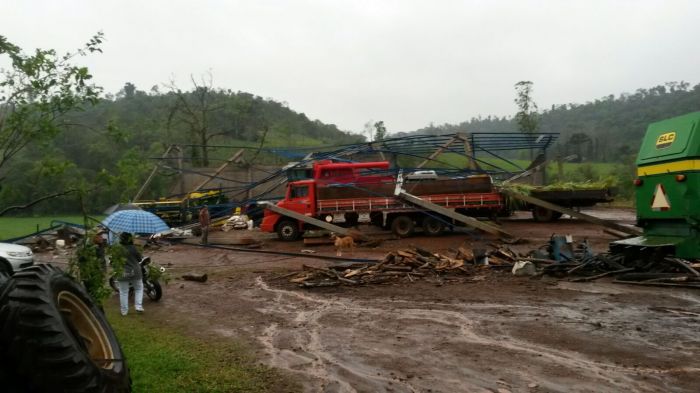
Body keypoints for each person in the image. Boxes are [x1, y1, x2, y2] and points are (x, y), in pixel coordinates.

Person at [116, 232, 144, 316]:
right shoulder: (133, 248)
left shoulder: (117, 249)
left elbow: (114, 261)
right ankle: (138, 306)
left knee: (123, 292)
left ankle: (124, 311)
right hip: (135, 272)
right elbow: (139, 259)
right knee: (139, 289)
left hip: (122, 272)